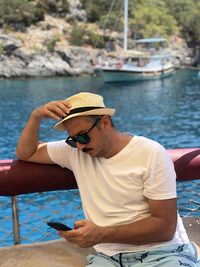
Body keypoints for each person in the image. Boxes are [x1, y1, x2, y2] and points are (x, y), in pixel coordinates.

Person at [16, 92, 200, 267]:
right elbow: (26, 152)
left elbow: (165, 228)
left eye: (82, 136)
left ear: (105, 122)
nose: (79, 146)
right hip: (109, 258)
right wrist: (36, 116)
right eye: (72, 140)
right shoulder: (74, 153)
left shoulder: (151, 153)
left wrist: (100, 234)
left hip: (163, 253)